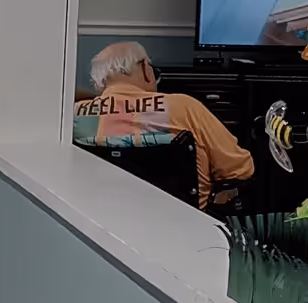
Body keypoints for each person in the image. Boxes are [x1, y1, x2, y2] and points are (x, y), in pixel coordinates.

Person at [74, 40, 253, 209]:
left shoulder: (74, 114)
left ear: (99, 82)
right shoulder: (184, 108)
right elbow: (239, 169)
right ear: (145, 68)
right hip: (186, 226)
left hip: (101, 226)